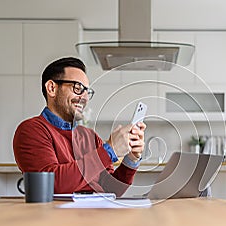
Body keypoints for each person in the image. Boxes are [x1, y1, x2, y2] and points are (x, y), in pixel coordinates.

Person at [13, 57, 146, 196]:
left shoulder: (90, 137)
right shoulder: (31, 130)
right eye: (77, 88)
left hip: (93, 215)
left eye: (87, 92)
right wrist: (109, 151)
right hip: (55, 217)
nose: (84, 97)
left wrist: (131, 159)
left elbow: (109, 190)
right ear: (52, 88)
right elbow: (52, 184)